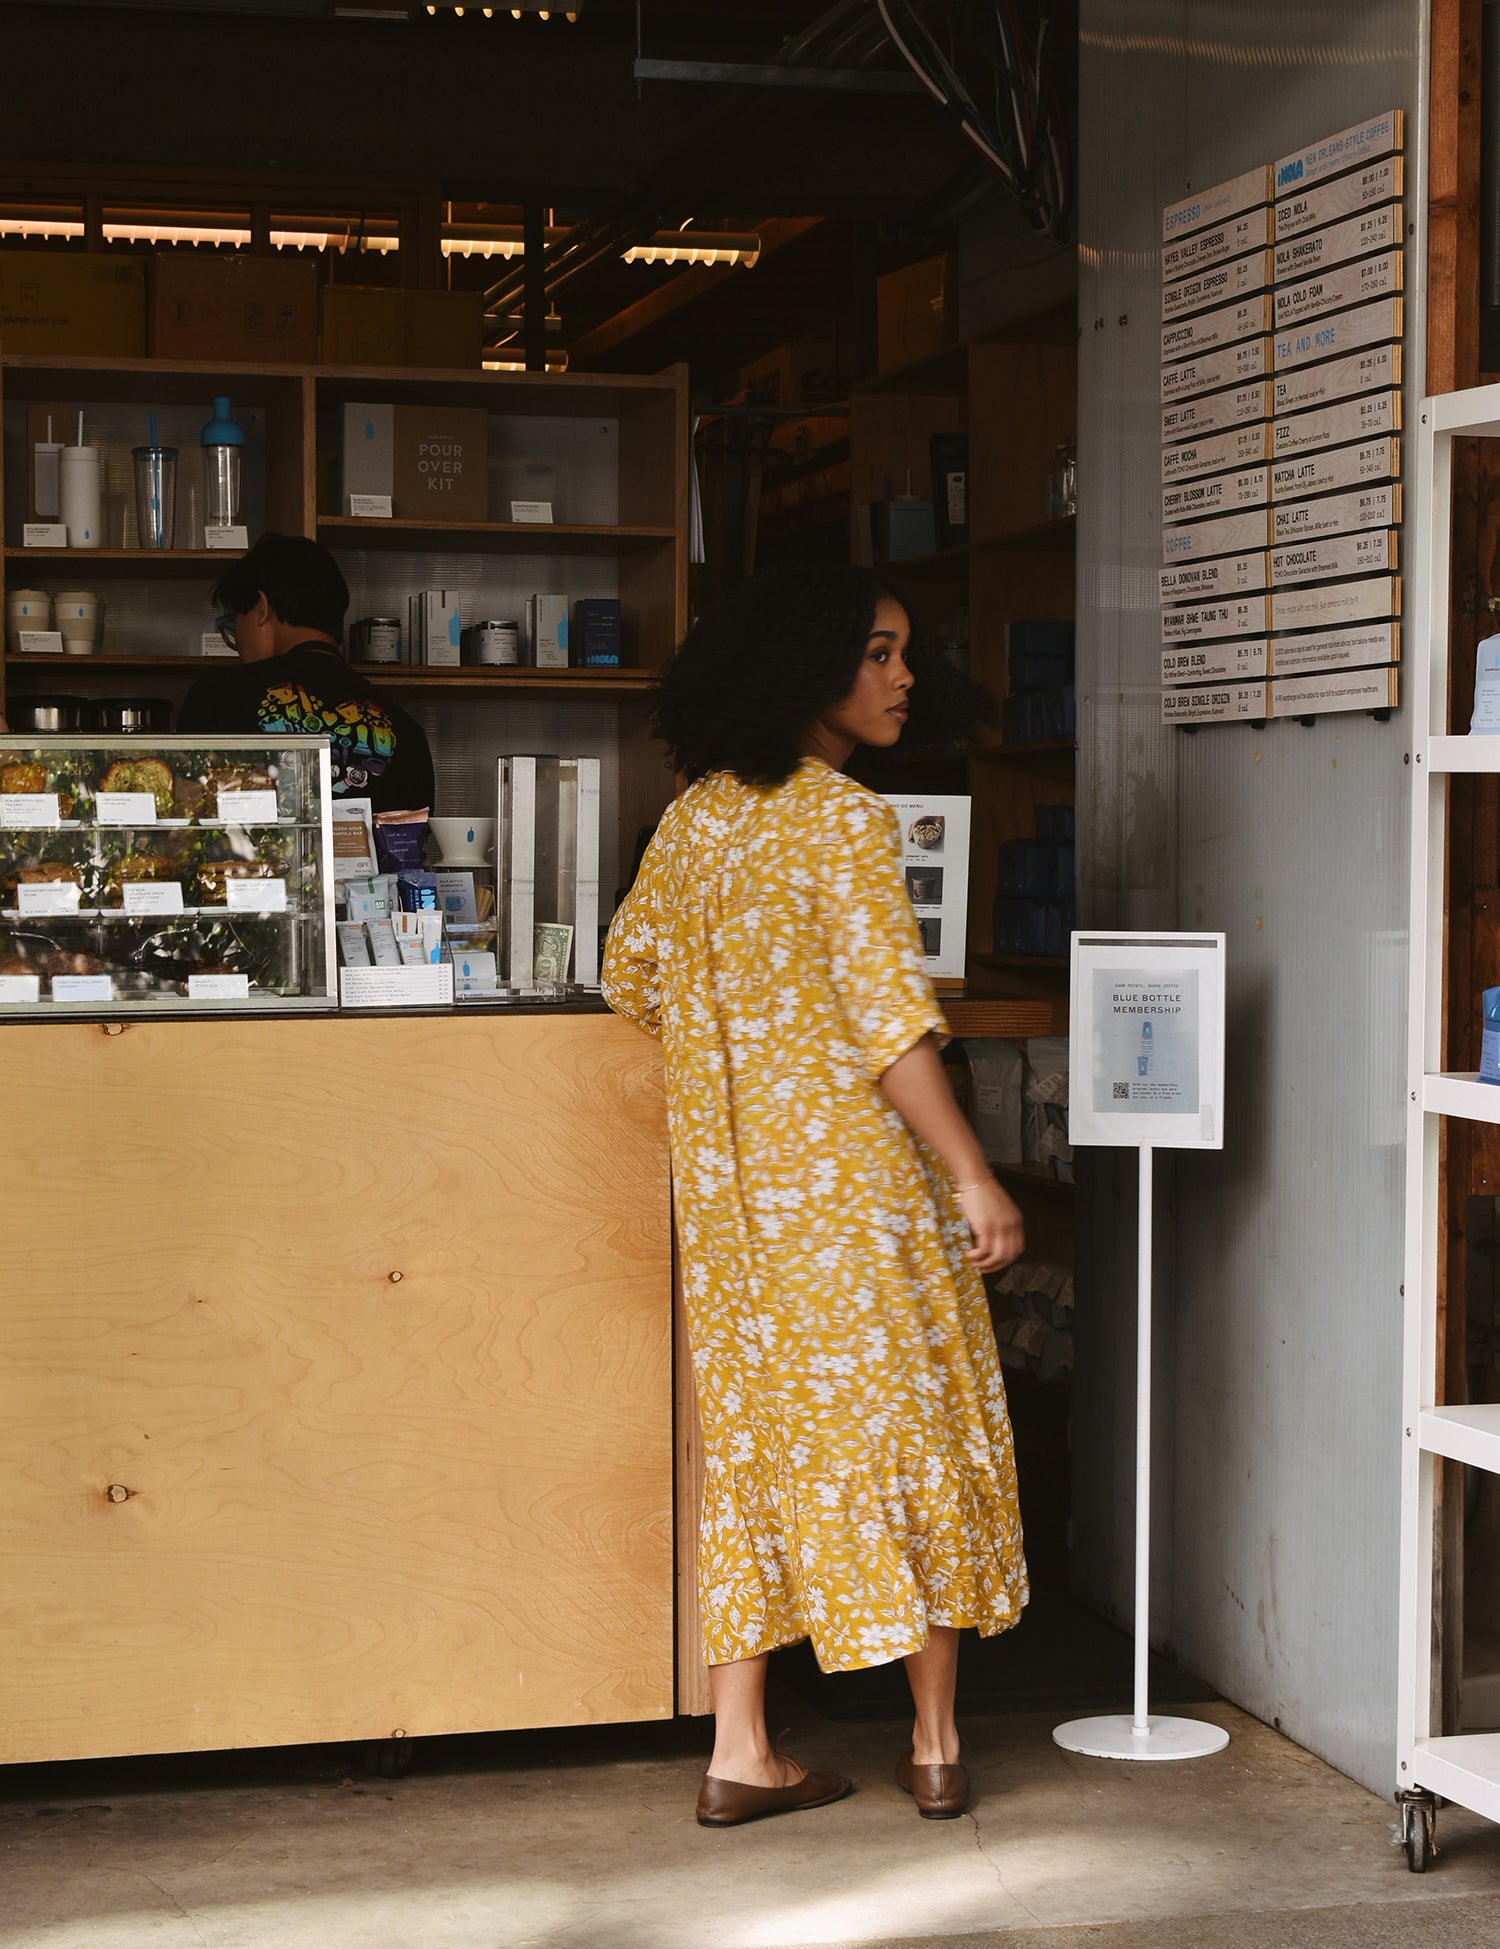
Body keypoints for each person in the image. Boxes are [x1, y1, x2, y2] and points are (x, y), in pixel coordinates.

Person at [601, 563, 1028, 1829]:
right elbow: (895, 1024)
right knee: (913, 1425)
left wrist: (742, 1038)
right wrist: (972, 1170)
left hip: (735, 1206)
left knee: (753, 1450)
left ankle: (744, 1747)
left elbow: (632, 976)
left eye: (904, 653)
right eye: (880, 653)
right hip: (852, 1197)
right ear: (808, 666)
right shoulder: (843, 820)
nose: (904, 677)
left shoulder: (695, 822)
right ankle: (937, 1742)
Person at [178, 533, 434, 816]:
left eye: (233, 625)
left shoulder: (216, 698)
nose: (237, 644)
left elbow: (189, 820)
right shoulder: (407, 731)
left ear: (261, 608)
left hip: (248, 861)